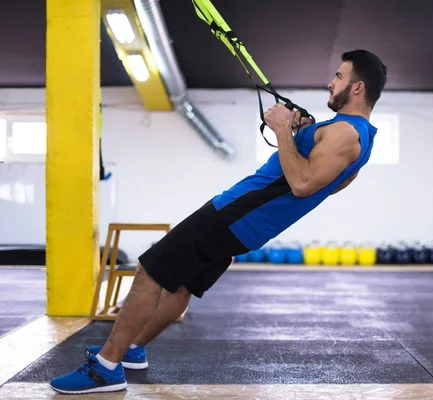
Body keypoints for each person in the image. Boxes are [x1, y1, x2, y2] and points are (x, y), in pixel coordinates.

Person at [50, 49, 387, 394]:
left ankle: (105, 368)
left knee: (150, 270)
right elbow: (326, 186)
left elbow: (302, 185)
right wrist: (302, 134)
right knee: (182, 285)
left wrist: (285, 130)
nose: (331, 83)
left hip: (235, 213)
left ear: (358, 88)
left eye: (339, 77)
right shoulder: (362, 138)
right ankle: (131, 349)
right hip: (248, 225)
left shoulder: (345, 133)